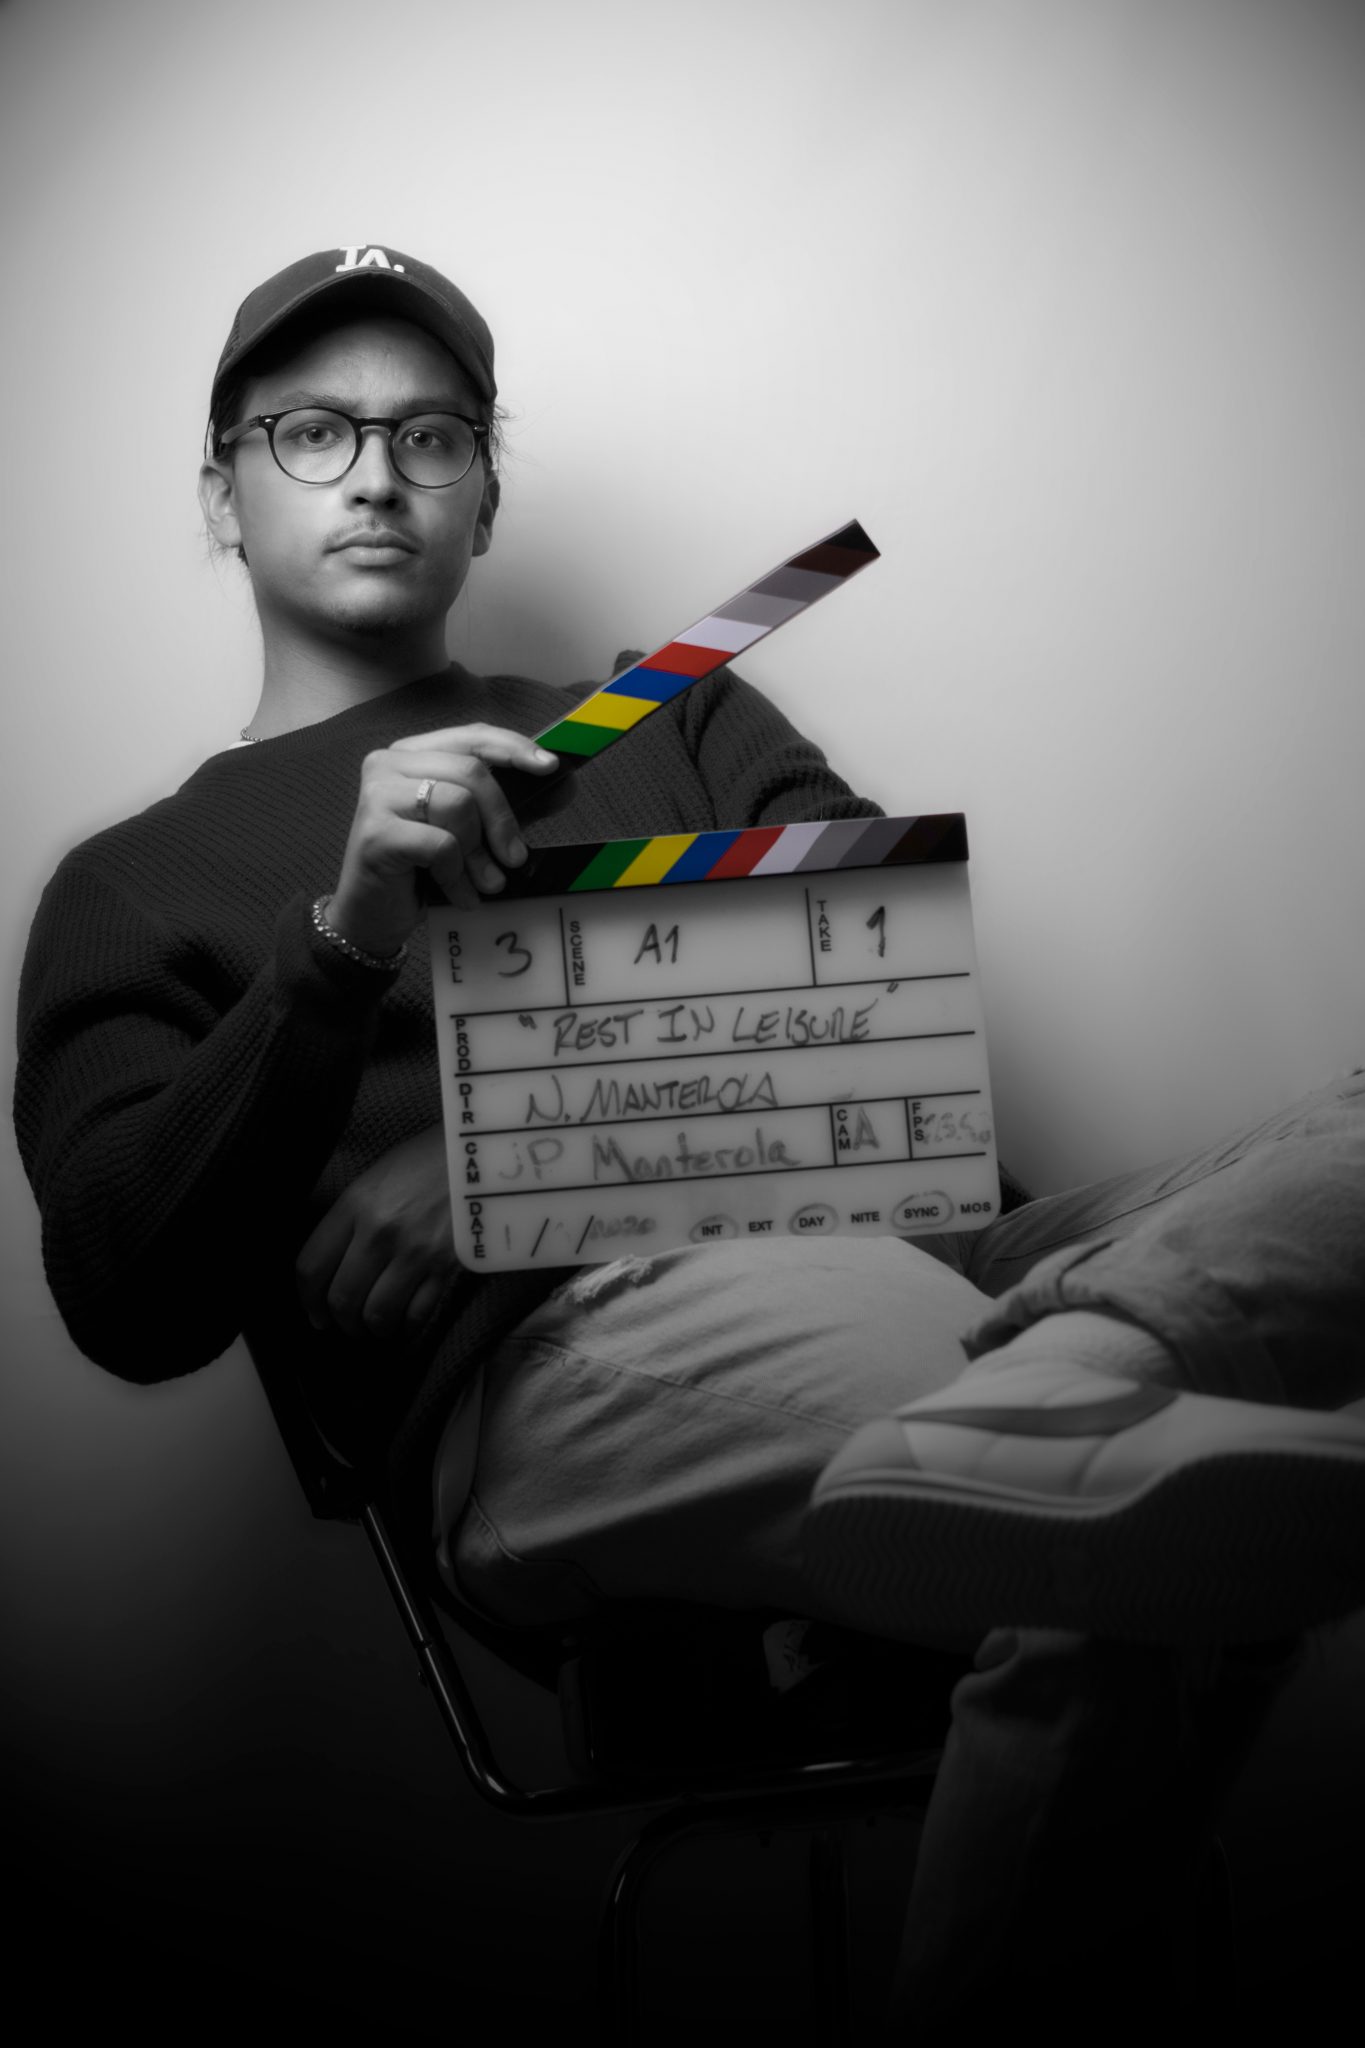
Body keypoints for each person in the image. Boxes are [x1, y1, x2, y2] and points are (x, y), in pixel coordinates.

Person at [14, 244, 1365, 2029]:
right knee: (1155, 1525)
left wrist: (521, 1157)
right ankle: (1087, 1417)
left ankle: (1070, 1405)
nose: (377, 474)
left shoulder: (683, 711)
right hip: (580, 1352)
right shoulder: (128, 890)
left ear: (486, 493)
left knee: (1289, 1256)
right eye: (313, 431)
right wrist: (338, 948)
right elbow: (127, 1293)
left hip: (969, 1260)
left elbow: (890, 1011)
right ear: (221, 491)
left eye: (431, 435)